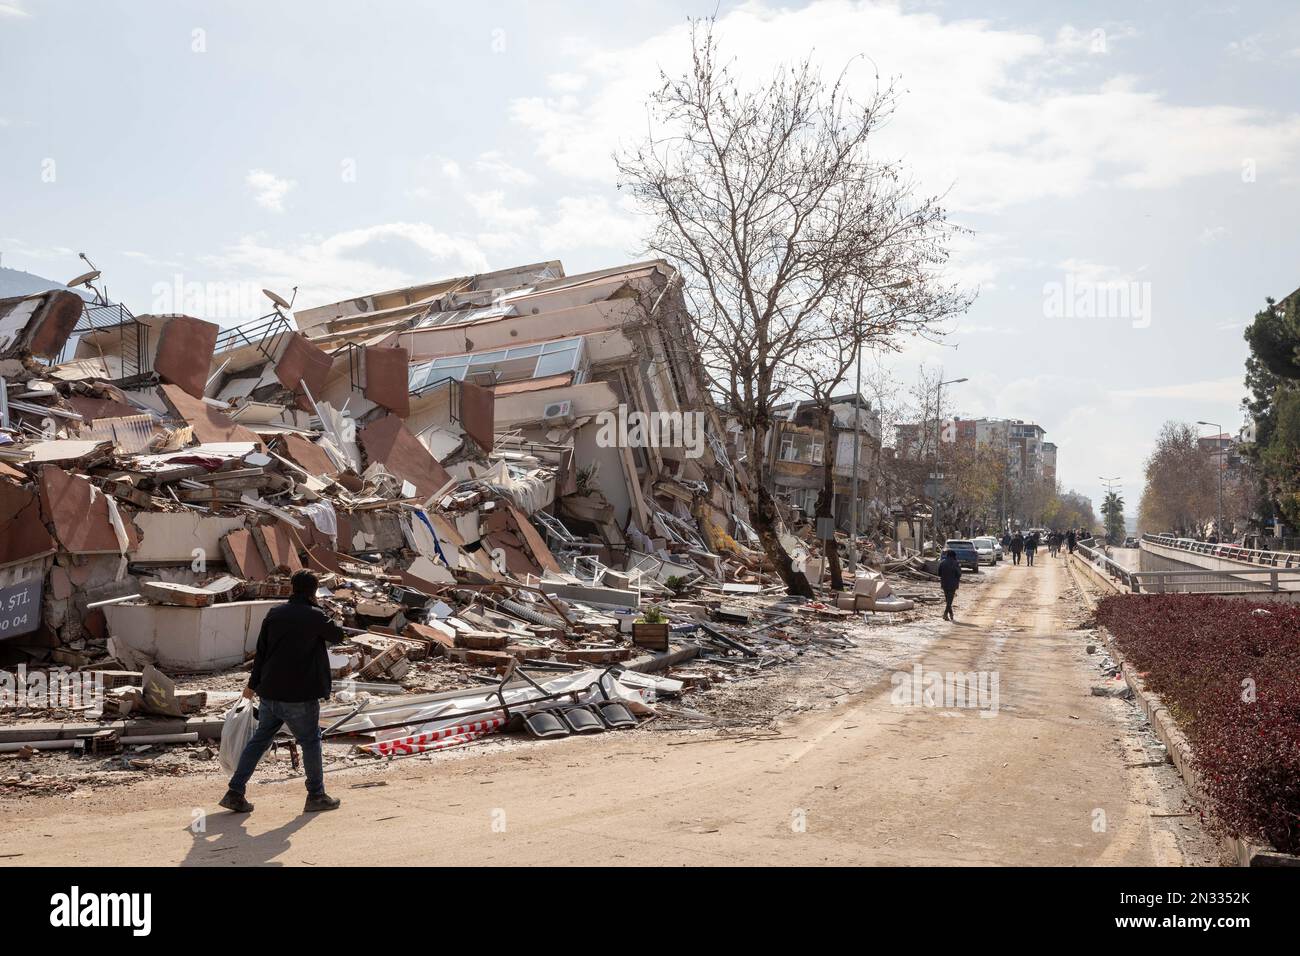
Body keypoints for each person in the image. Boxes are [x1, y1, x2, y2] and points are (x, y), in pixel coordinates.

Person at [219, 569, 346, 814]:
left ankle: (235, 791)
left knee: (260, 740)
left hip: (270, 692)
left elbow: (261, 653)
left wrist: (252, 686)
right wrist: (324, 612)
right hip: (300, 695)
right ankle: (316, 795)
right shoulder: (315, 616)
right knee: (310, 741)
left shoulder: (274, 614)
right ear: (313, 591)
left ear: (292, 588)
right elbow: (338, 635)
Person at [938, 548, 962, 622]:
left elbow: (939, 573)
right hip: (953, 584)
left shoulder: (942, 562)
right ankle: (945, 613)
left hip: (944, 583)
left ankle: (950, 614)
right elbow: (959, 574)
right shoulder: (956, 563)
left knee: (948, 600)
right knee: (949, 600)